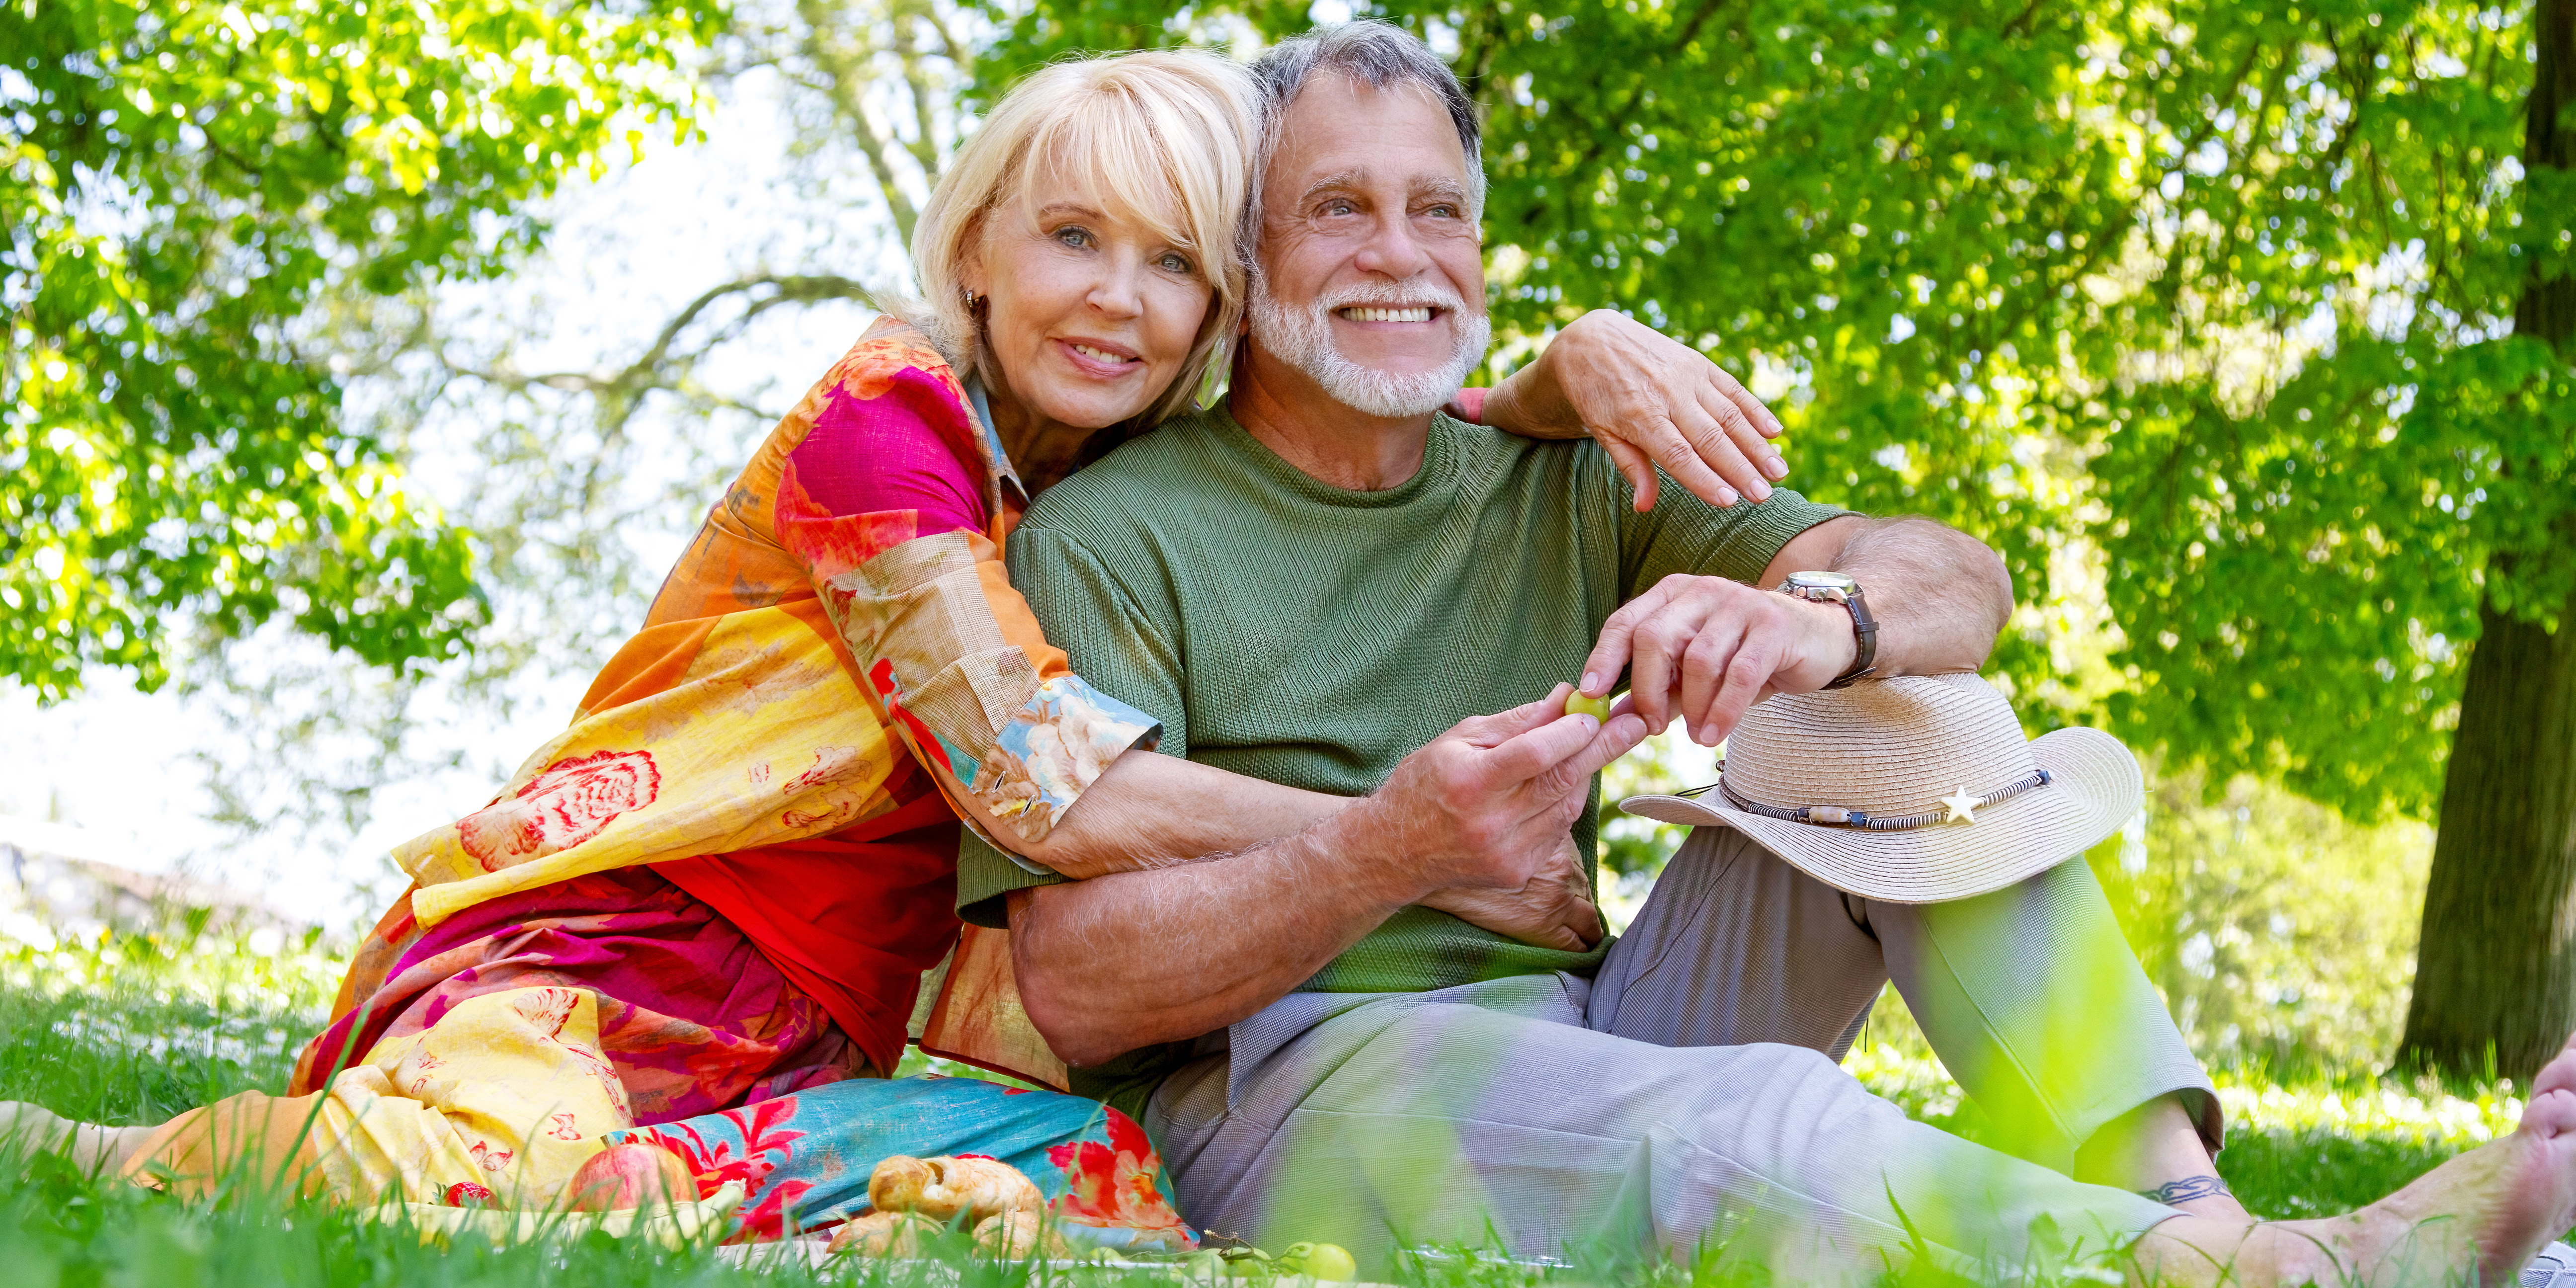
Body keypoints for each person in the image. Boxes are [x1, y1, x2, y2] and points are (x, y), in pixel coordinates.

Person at [0, 43, 1802, 1237]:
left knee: (1101, 1184)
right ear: (979, 250)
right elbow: (1040, 784)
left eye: (1172, 261)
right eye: (1074, 237)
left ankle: (687, 1195)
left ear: (1220, 308)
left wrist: (1555, 374)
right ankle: (92, 1150)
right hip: (611, 956)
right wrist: (1429, 846)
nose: (1117, 296)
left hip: (805, 1039)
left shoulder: (1092, 477)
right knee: (470, 1171)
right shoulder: (888, 423)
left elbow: (1384, 388)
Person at [956, 21, 2576, 1285]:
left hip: (1593, 1018)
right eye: (1338, 210)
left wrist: (1820, 622)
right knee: (1754, 1122)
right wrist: (1392, 849)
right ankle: (2272, 1277)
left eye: (1438, 210)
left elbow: (1959, 583)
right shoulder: (1113, 535)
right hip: (1300, 1085)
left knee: (1912, 719)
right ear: (1245, 259)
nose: (1401, 254)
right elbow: (1074, 986)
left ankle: (2191, 1211)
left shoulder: (1568, 473)